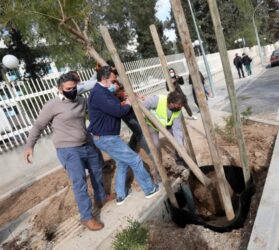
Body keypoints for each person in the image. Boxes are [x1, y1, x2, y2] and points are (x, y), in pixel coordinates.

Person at [24, 72, 113, 231]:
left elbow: (94, 109)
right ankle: (86, 217)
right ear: (60, 89)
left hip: (87, 143)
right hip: (68, 149)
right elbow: (38, 126)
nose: (72, 90)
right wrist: (30, 146)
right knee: (79, 182)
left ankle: (101, 197)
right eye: (68, 88)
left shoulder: (80, 100)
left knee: (97, 170)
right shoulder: (52, 105)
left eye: (74, 87)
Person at [88, 66, 159, 205]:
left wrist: (125, 101)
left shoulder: (102, 91)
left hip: (105, 137)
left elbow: (114, 106)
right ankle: (149, 189)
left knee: (122, 162)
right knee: (135, 159)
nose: (115, 84)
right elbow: (117, 111)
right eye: (113, 81)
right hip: (106, 138)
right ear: (104, 79)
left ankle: (120, 195)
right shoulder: (99, 94)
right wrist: (127, 103)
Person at [143, 91, 187, 166]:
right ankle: (159, 166)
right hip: (152, 126)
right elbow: (143, 107)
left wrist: (181, 146)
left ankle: (179, 158)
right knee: (156, 146)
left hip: (167, 125)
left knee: (179, 139)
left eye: (182, 106)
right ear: (171, 103)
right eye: (179, 105)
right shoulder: (157, 100)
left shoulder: (178, 110)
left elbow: (177, 129)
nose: (180, 107)